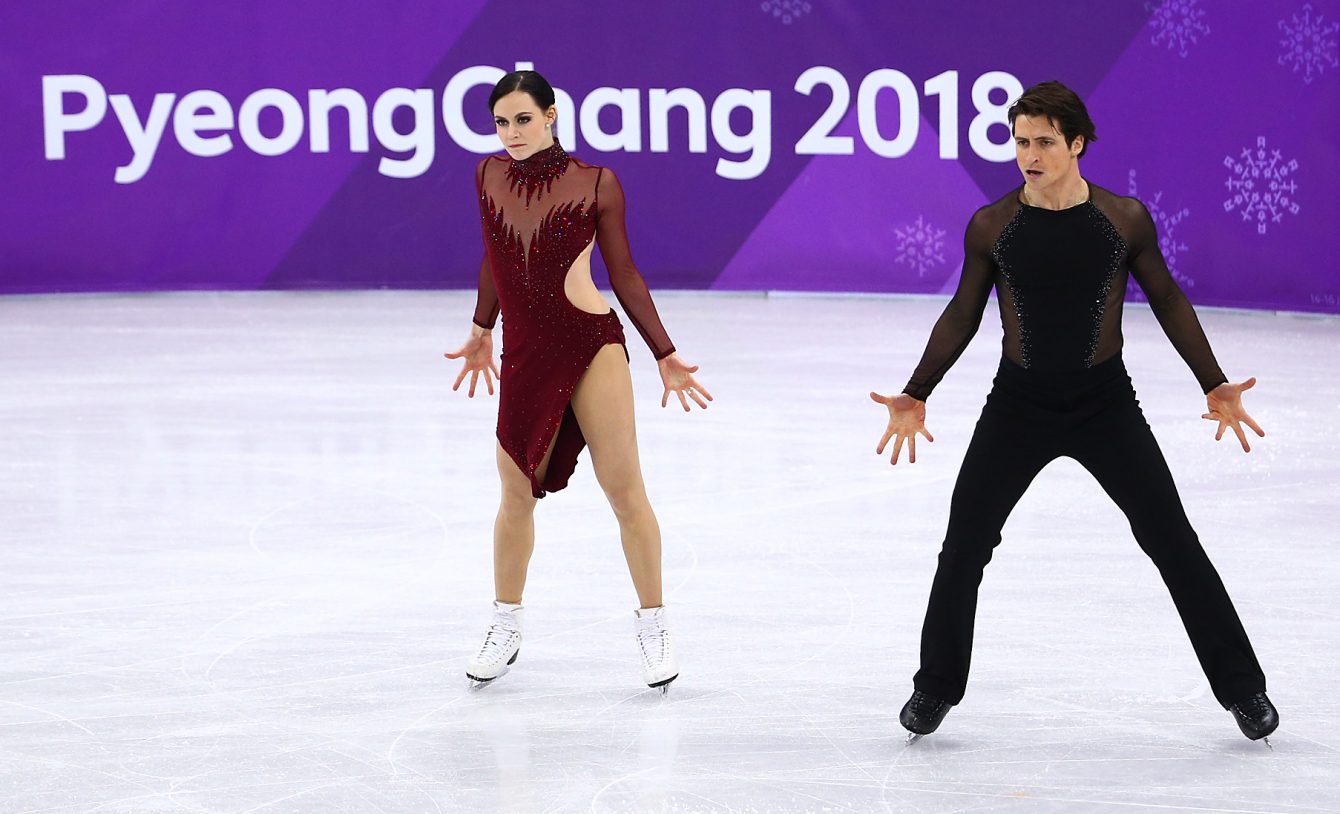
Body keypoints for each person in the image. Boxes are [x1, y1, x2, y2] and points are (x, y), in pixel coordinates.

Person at [870, 80, 1278, 742]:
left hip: (1104, 403)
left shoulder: (1124, 220)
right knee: (964, 546)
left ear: (1076, 143)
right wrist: (918, 390)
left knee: (1172, 540)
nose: (1029, 154)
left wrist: (1213, 381)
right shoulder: (993, 226)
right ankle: (934, 687)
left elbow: (1168, 299)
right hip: (1018, 404)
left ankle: (1244, 690)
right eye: (1020, 141)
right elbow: (963, 315)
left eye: (1044, 142)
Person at [445, 70, 711, 692]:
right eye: (502, 122)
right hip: (525, 354)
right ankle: (505, 624)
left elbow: (624, 273)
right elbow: (494, 254)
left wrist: (663, 352)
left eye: (524, 120)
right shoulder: (485, 175)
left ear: (552, 115)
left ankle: (654, 628)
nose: (512, 133)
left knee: (624, 490)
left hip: (591, 345)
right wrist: (483, 327)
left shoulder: (595, 182)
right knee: (514, 493)